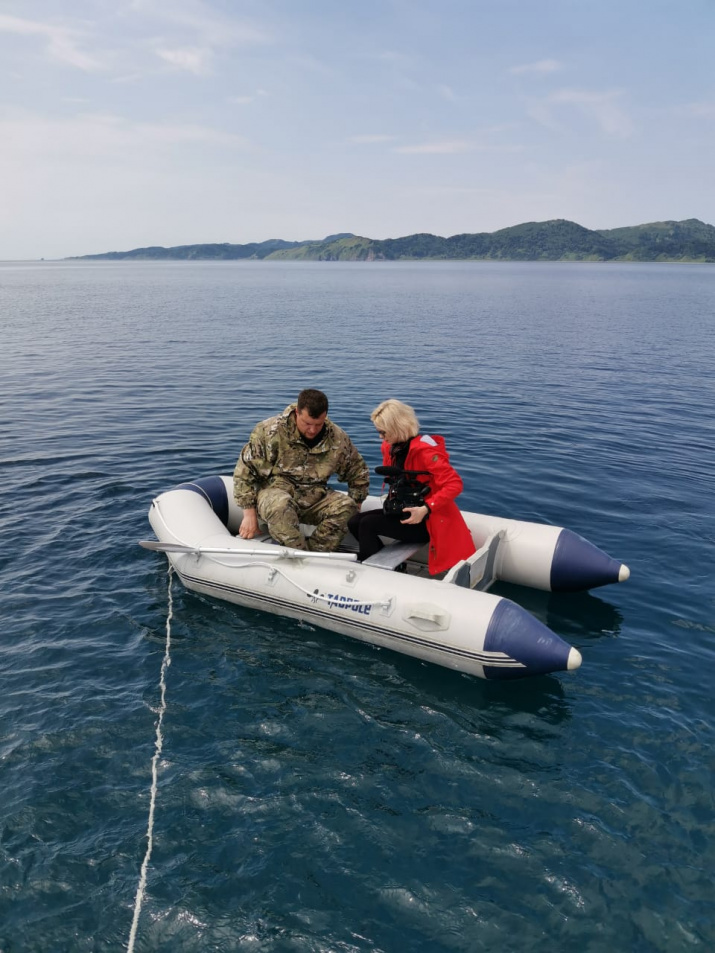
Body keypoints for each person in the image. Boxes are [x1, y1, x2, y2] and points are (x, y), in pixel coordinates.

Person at [347, 399, 476, 574]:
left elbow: (454, 484)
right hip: (405, 511)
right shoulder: (390, 447)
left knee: (367, 524)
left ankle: (371, 573)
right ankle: (389, 568)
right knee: (355, 521)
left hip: (426, 519)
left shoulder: (425, 452)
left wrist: (426, 508)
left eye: (383, 432)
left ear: (396, 427)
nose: (380, 437)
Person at [233, 389, 370, 552]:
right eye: (307, 423)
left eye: (318, 424)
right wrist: (249, 515)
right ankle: (298, 555)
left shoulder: (337, 438)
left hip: (315, 497)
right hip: (274, 494)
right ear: (297, 412)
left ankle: (313, 556)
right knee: (281, 505)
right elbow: (245, 472)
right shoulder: (268, 431)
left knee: (347, 507)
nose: (312, 430)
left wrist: (357, 504)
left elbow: (358, 471)